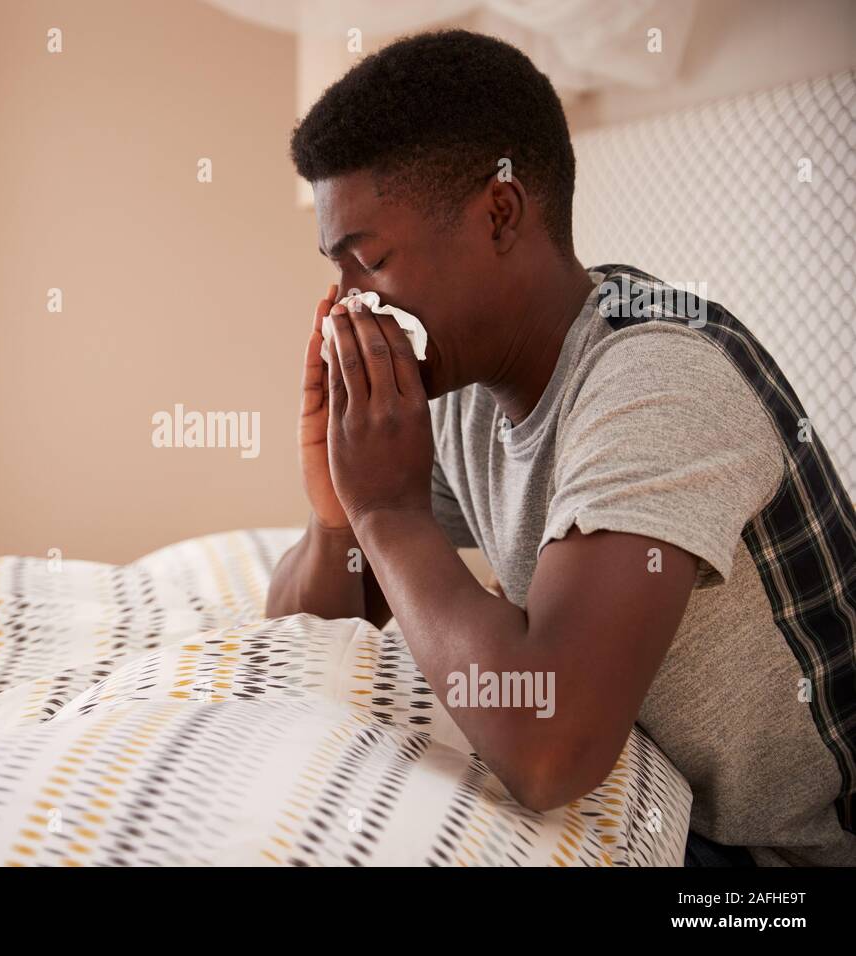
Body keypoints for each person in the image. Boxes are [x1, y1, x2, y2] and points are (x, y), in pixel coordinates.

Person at [266, 29, 856, 866]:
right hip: (675, 821)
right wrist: (338, 517)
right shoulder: (467, 386)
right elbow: (300, 639)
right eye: (340, 273)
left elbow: (548, 748)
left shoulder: (659, 379)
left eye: (370, 264)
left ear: (499, 215)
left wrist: (388, 512)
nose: (352, 306)